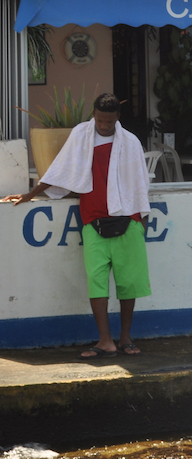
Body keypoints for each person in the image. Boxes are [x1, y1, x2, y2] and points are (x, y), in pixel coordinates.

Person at [2, 93, 151, 358]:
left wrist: (142, 221)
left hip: (128, 221)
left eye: (109, 121)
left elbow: (140, 183)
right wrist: (30, 194)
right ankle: (105, 340)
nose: (104, 126)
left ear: (118, 118)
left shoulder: (131, 142)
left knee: (129, 284)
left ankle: (125, 337)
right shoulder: (81, 135)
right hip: (93, 220)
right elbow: (60, 169)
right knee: (97, 283)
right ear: (93, 114)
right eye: (100, 120)